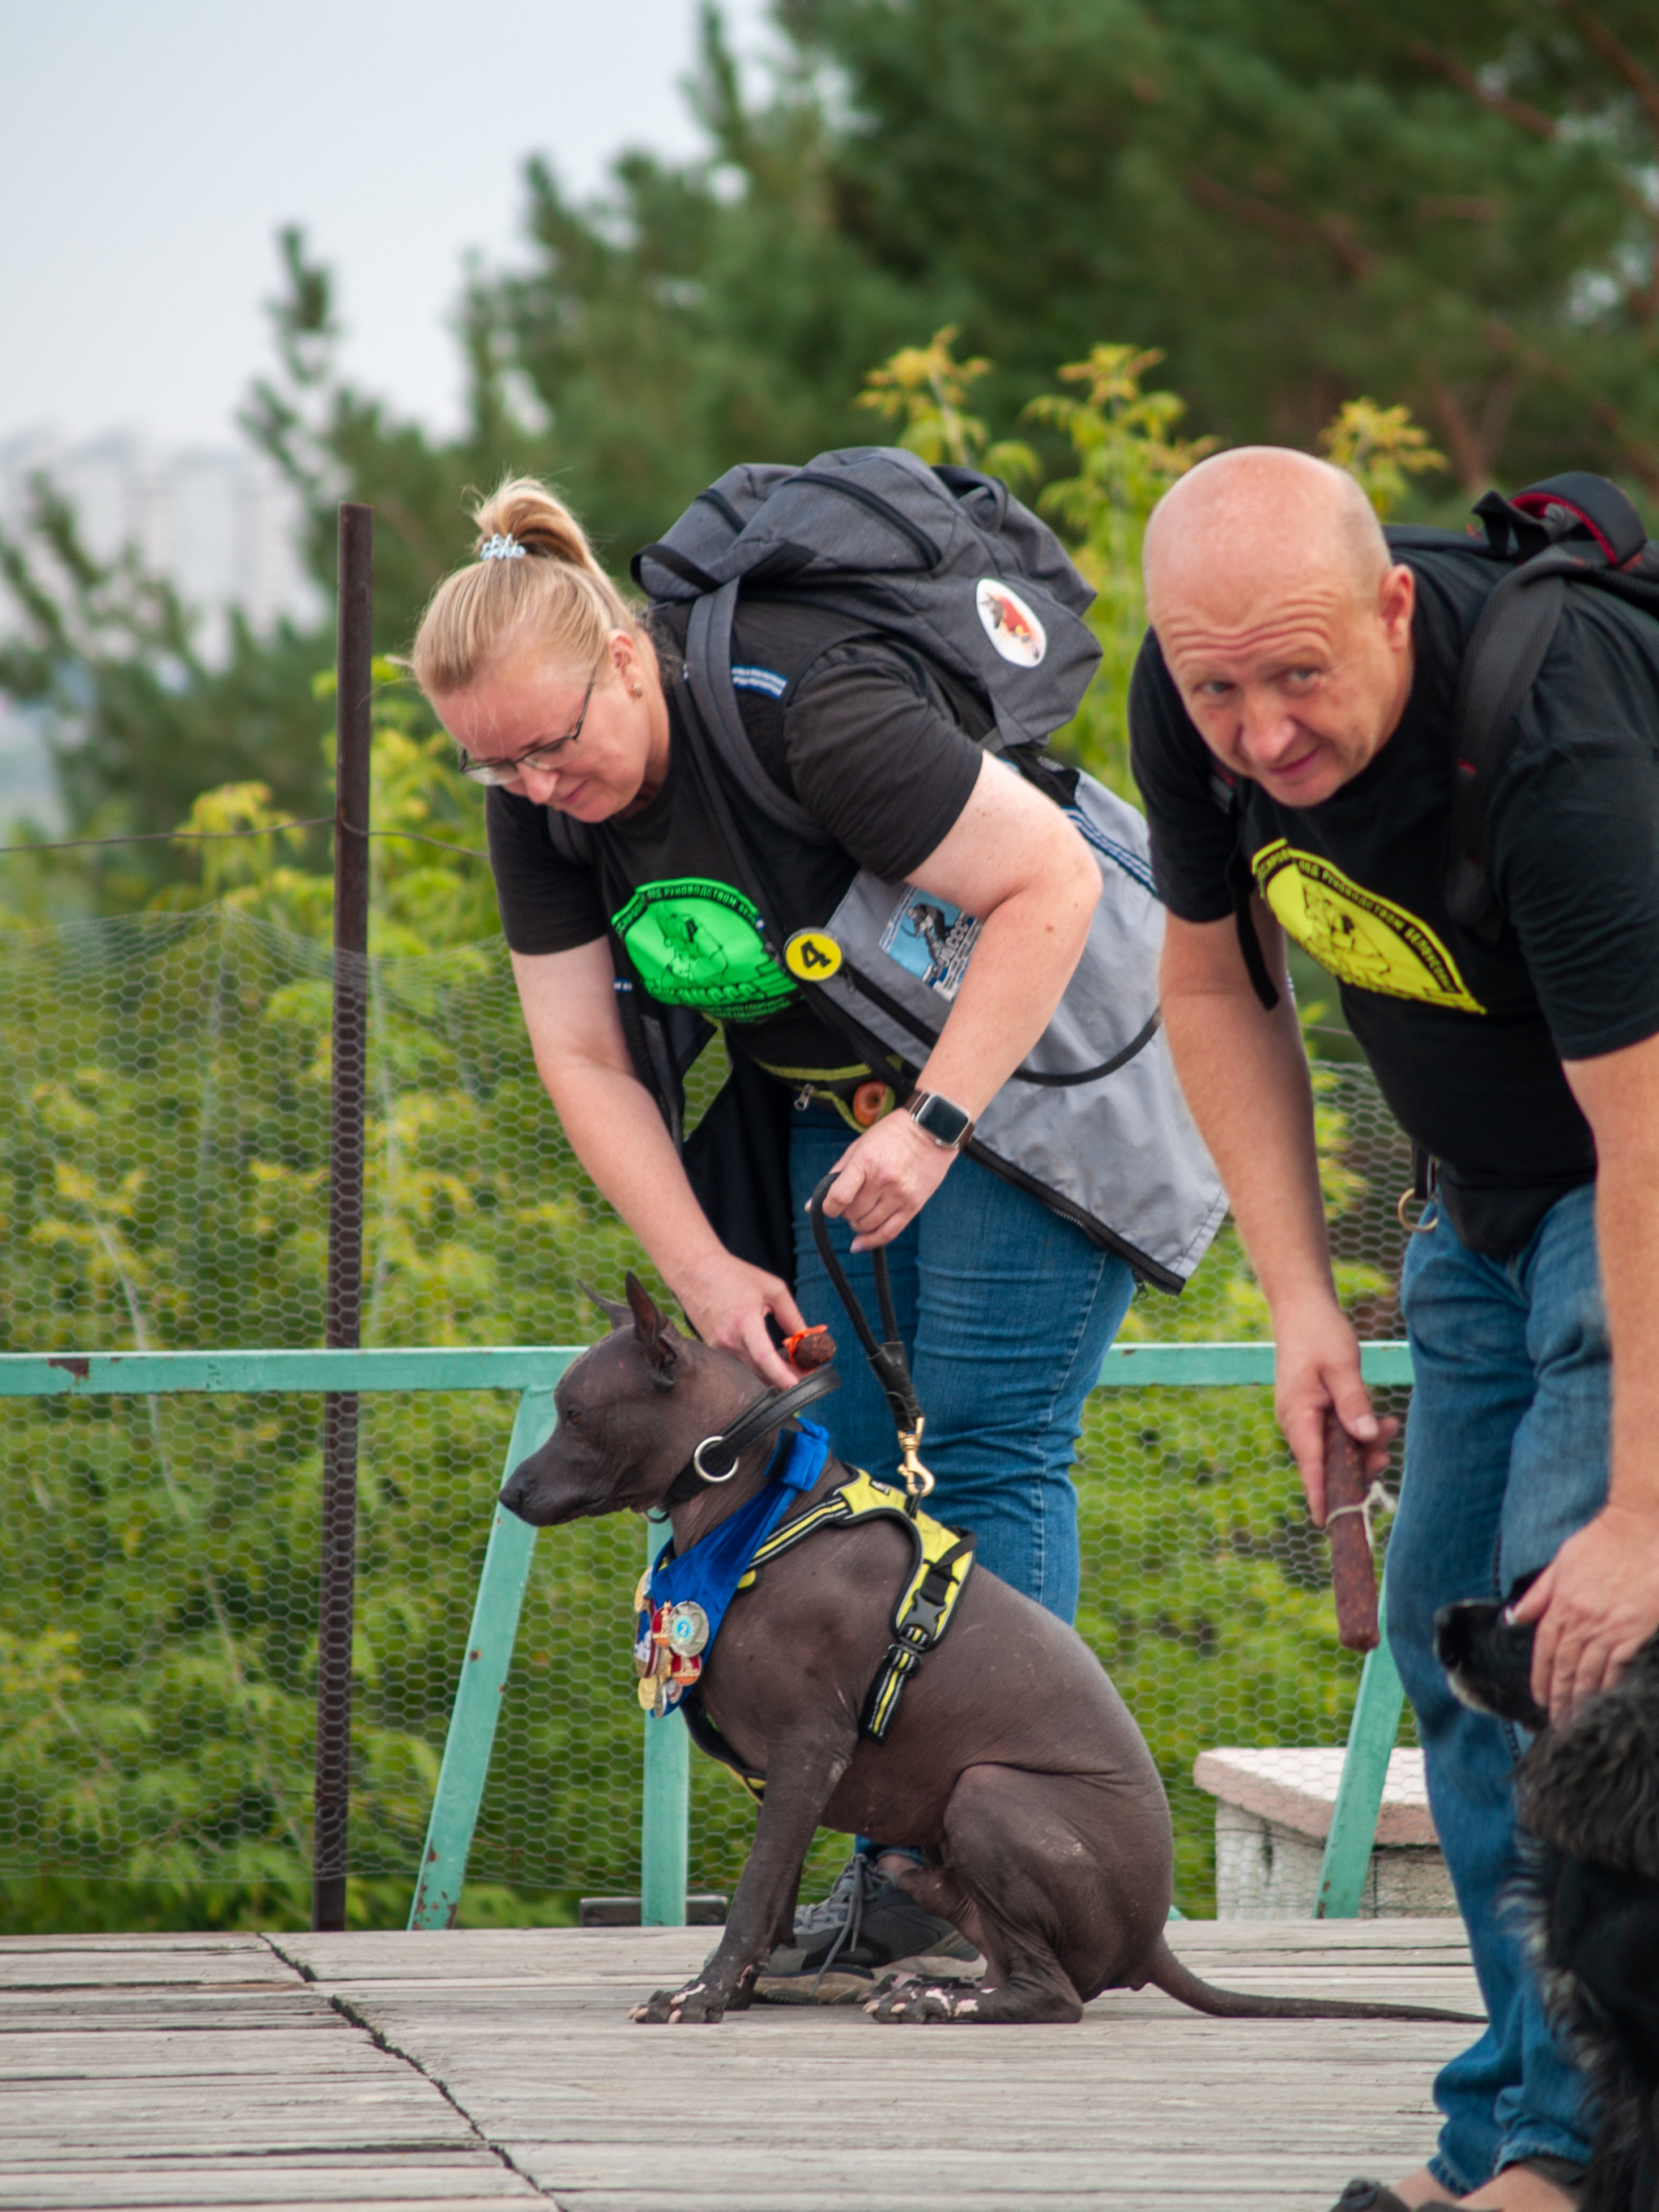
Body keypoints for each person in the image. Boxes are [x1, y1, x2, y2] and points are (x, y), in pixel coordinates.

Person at [409, 475, 1217, 1988]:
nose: (528, 786)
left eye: (550, 745)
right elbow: (583, 1056)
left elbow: (1044, 884)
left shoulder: (812, 709)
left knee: (980, 1453)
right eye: (492, 765)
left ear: (628, 660)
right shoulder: (544, 798)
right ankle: (898, 1879)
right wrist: (706, 1270)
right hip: (828, 1098)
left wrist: (934, 1125)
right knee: (832, 1492)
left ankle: (954, 1898)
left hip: (1026, 1074)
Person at [1129, 445, 1659, 2211]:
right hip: (1482, 1200)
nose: (1260, 735)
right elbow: (1211, 982)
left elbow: (1647, 1132)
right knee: (1450, 1647)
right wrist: (1297, 1302)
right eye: (1217, 688)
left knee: (1575, 1665)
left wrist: (1644, 1512)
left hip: (1632, 1177)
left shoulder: (1547, 732)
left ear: (1391, 609)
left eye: (1299, 675)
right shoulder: (1187, 689)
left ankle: (1575, 2158)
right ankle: (1512, 2128)